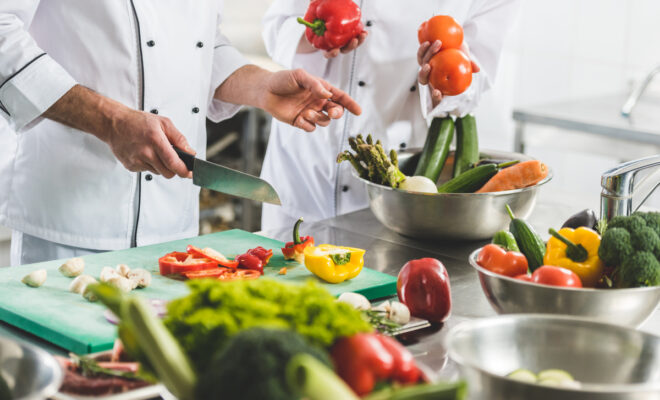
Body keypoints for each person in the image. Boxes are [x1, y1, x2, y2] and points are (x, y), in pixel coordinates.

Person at [0, 1, 360, 266]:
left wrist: (262, 87)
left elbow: (202, 43)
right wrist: (109, 121)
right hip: (70, 225)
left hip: (173, 230)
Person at [260, 0, 521, 230]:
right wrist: (317, 36)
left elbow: (473, 83)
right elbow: (277, 26)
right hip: (304, 163)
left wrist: (444, 84)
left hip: (391, 185)